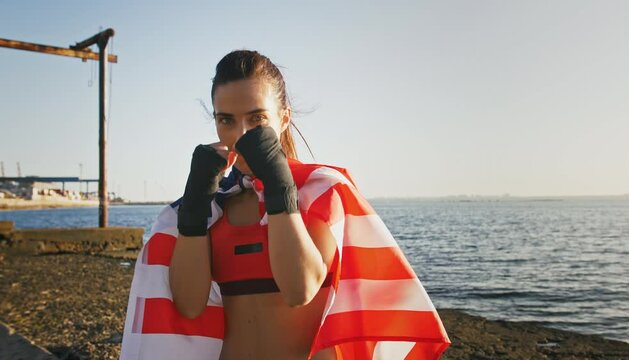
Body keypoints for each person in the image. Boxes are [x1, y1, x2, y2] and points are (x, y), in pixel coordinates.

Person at [119, 49, 450, 360]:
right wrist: (193, 211)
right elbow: (189, 306)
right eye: (226, 120)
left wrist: (280, 188)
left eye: (257, 118)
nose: (241, 133)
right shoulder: (209, 209)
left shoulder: (320, 194)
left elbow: (299, 289)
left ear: (284, 117)